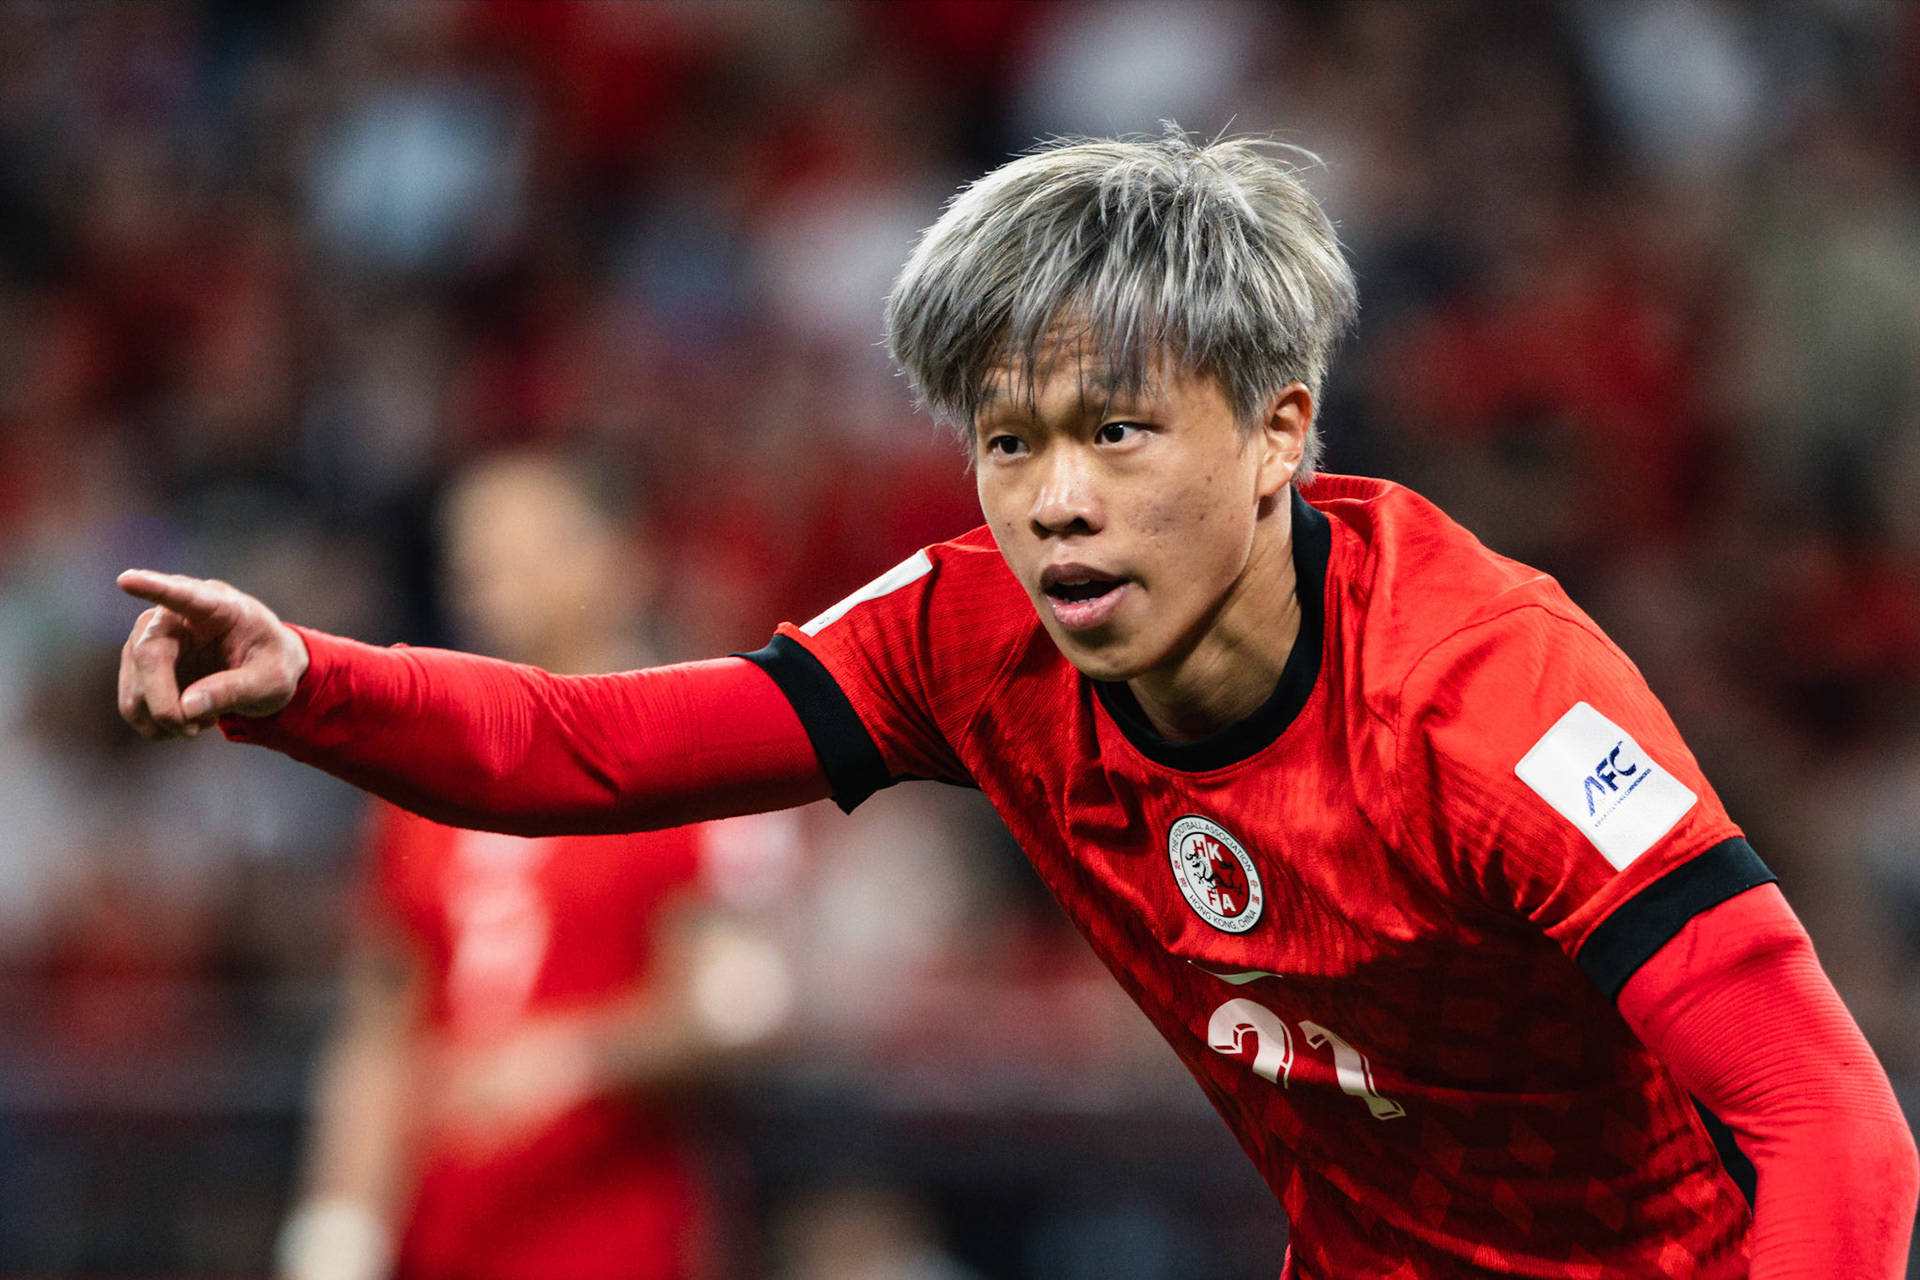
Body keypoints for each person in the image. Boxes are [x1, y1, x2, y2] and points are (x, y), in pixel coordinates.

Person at [119, 134, 1917, 1277]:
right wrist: (309, 683)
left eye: (1117, 431)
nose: (1054, 501)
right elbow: (589, 747)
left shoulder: (1488, 697)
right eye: (1008, 440)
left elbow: (1832, 1122)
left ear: (1281, 431)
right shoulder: (964, 636)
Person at [276, 453, 770, 1280]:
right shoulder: (422, 768)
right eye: (470, 557)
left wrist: (572, 1060)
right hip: (442, 1237)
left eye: (520, 549)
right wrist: (337, 1226)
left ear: (618, 558)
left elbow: (740, 1005)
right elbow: (379, 1025)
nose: (485, 579)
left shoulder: (702, 753)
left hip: (615, 1240)